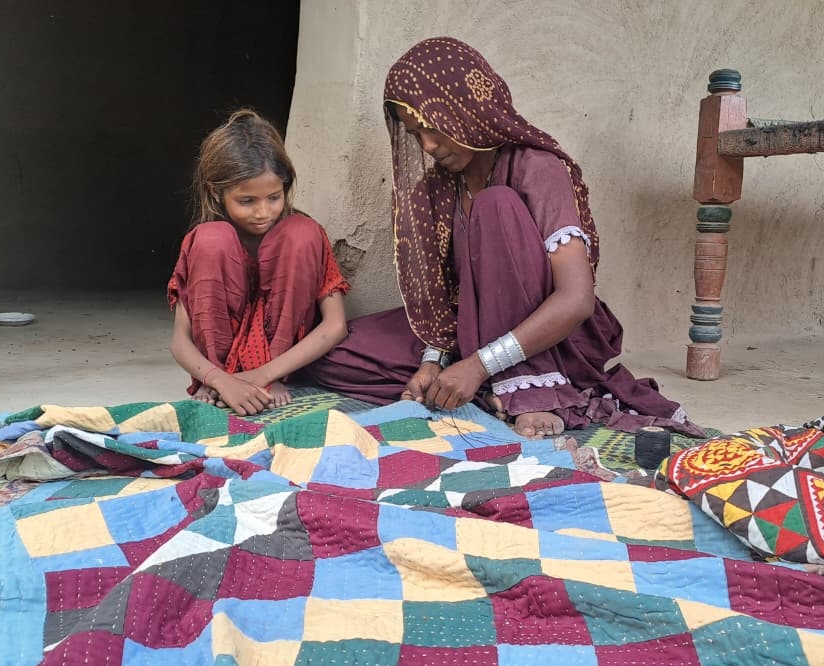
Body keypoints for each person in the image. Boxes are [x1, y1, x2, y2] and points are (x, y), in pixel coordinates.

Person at [308, 37, 702, 439]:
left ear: (467, 107)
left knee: (495, 205)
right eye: (415, 134)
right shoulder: (439, 188)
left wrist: (476, 366)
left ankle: (532, 389)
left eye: (433, 127)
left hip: (552, 343)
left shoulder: (537, 167)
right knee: (331, 353)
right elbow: (446, 302)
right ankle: (484, 389)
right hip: (471, 329)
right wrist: (432, 363)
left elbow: (576, 299)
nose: (428, 145)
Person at [167, 109, 350, 416]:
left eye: (274, 197)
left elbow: (335, 326)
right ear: (216, 191)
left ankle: (269, 375)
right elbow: (179, 340)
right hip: (216, 372)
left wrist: (260, 377)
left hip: (280, 368)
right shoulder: (205, 242)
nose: (263, 212)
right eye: (247, 201)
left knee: (301, 233)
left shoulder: (304, 236)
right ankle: (216, 381)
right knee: (211, 238)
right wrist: (218, 379)